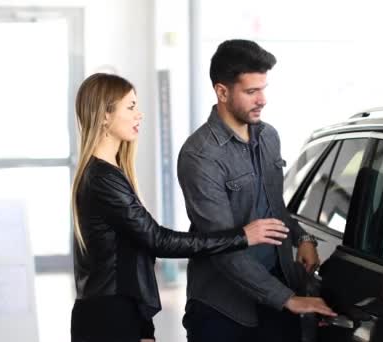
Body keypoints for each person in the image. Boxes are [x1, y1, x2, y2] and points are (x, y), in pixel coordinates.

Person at [70, 72, 291, 342]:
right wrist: (243, 236)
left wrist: (144, 326)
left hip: (120, 311)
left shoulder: (109, 172)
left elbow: (130, 258)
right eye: (130, 107)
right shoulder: (102, 179)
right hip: (106, 319)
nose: (140, 114)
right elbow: (158, 241)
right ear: (104, 115)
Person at [177, 39, 336, 342]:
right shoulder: (200, 156)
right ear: (222, 92)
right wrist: (287, 299)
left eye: (263, 89)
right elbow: (221, 247)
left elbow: (275, 209)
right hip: (224, 310)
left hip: (276, 295)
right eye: (251, 91)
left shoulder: (268, 137)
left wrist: (302, 237)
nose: (262, 99)